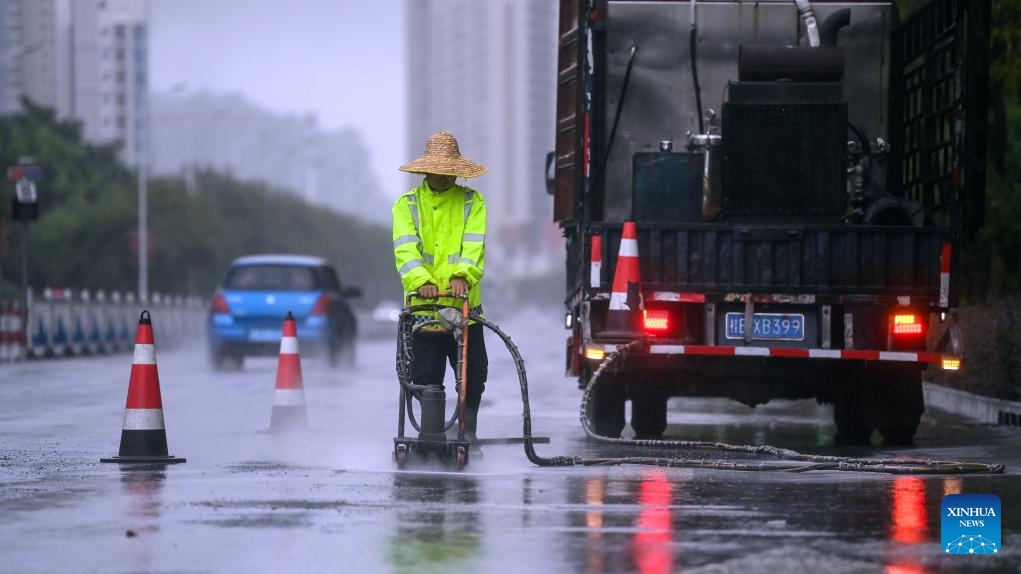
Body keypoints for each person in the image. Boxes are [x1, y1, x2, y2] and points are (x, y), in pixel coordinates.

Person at [392, 131, 489, 451]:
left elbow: (473, 246)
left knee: (473, 376)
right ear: (426, 170)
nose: (445, 176)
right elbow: (405, 251)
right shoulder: (406, 206)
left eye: (450, 170)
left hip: (465, 311)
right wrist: (422, 282)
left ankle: (467, 435)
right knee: (426, 377)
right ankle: (430, 436)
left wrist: (463, 275)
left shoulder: (472, 202)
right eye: (439, 170)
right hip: (424, 310)